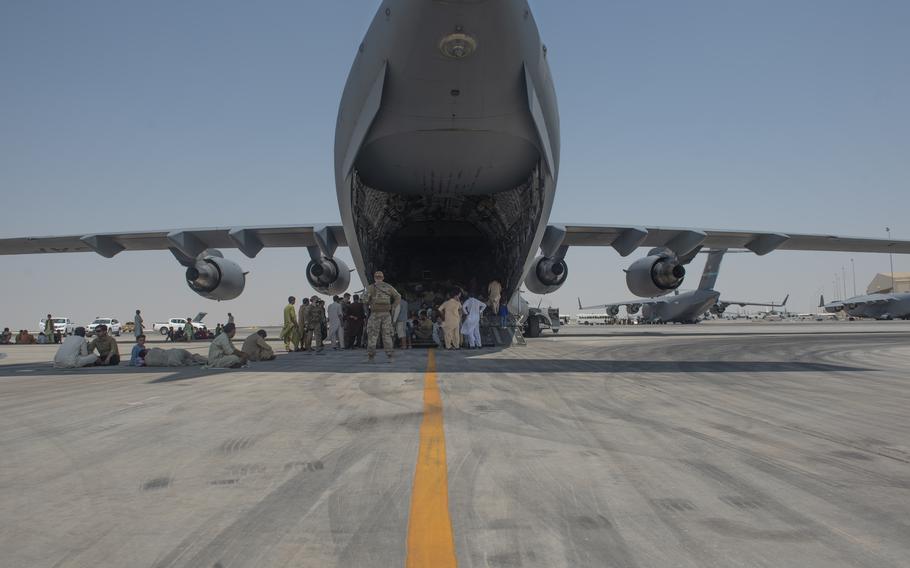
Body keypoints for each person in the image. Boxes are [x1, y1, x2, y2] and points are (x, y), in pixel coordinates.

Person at [363, 270, 401, 361]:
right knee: (387, 335)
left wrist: (368, 310)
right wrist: (393, 306)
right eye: (378, 277)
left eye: (378, 277)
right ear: (383, 278)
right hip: (386, 314)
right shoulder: (389, 287)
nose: (378, 279)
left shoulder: (371, 287)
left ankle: (371, 357)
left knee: (372, 335)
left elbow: (364, 300)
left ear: (374, 278)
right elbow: (398, 296)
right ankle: (390, 356)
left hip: (375, 314)